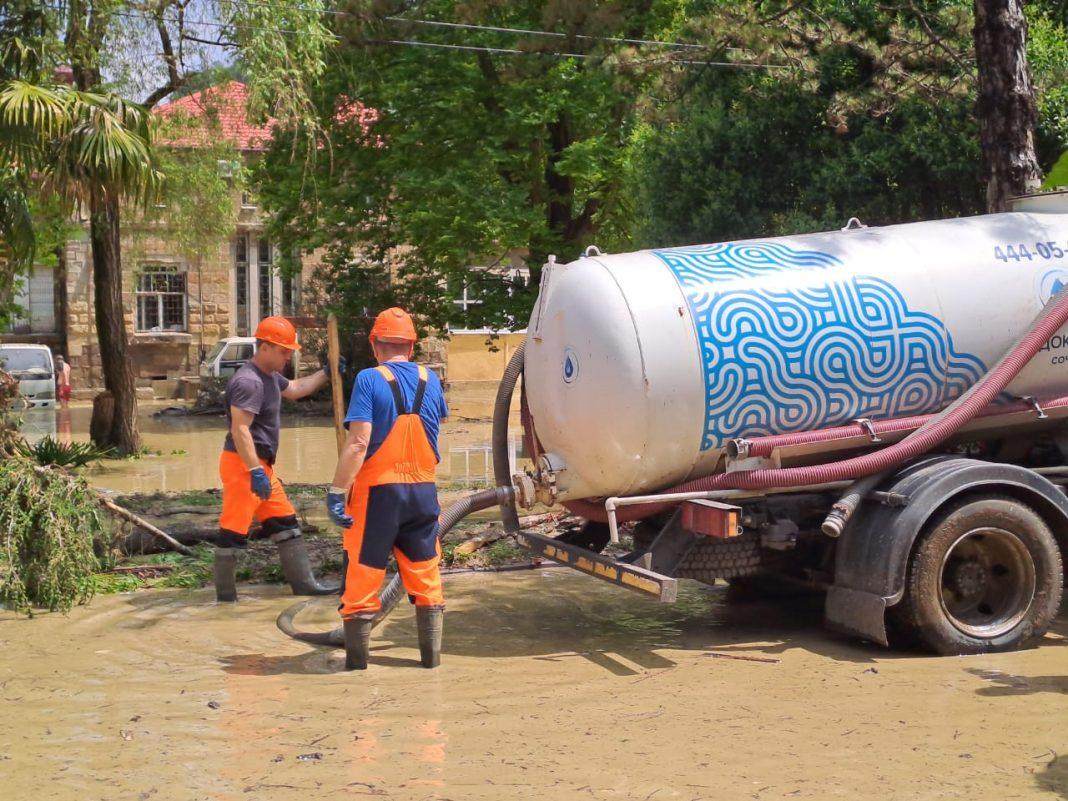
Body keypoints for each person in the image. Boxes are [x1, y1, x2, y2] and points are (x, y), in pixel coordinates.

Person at [326, 307, 449, 670]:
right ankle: (431, 666)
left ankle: (356, 674)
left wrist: (336, 492)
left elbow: (358, 444)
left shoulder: (368, 379)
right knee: (426, 577)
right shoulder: (432, 378)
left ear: (374, 345)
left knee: (363, 579)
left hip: (378, 496)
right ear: (411, 347)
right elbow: (435, 422)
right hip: (423, 493)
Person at [213, 315, 340, 602]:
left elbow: (295, 390)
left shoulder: (269, 376)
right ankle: (225, 600)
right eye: (284, 351)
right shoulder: (249, 381)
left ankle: (305, 585)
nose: (287, 357)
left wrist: (326, 373)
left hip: (262, 466)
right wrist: (255, 471)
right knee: (233, 532)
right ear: (266, 347)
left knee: (285, 523)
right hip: (243, 465)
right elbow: (240, 429)